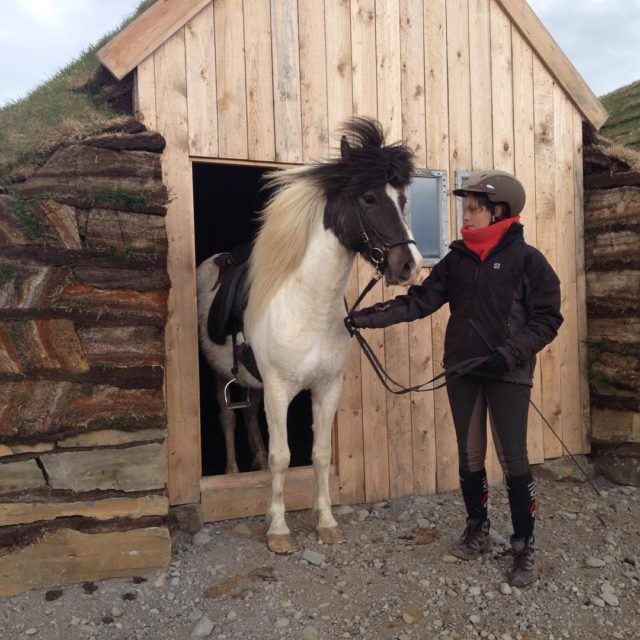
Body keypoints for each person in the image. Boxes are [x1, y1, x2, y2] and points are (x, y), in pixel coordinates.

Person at [345, 170, 563, 587]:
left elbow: (548, 318)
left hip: (507, 373)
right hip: (463, 370)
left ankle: (524, 545)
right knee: (469, 456)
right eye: (466, 206)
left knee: (513, 460)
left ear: (500, 211)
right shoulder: (457, 259)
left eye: (476, 208)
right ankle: (477, 527)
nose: (467, 214)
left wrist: (513, 352)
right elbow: (421, 300)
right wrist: (368, 318)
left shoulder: (527, 260)